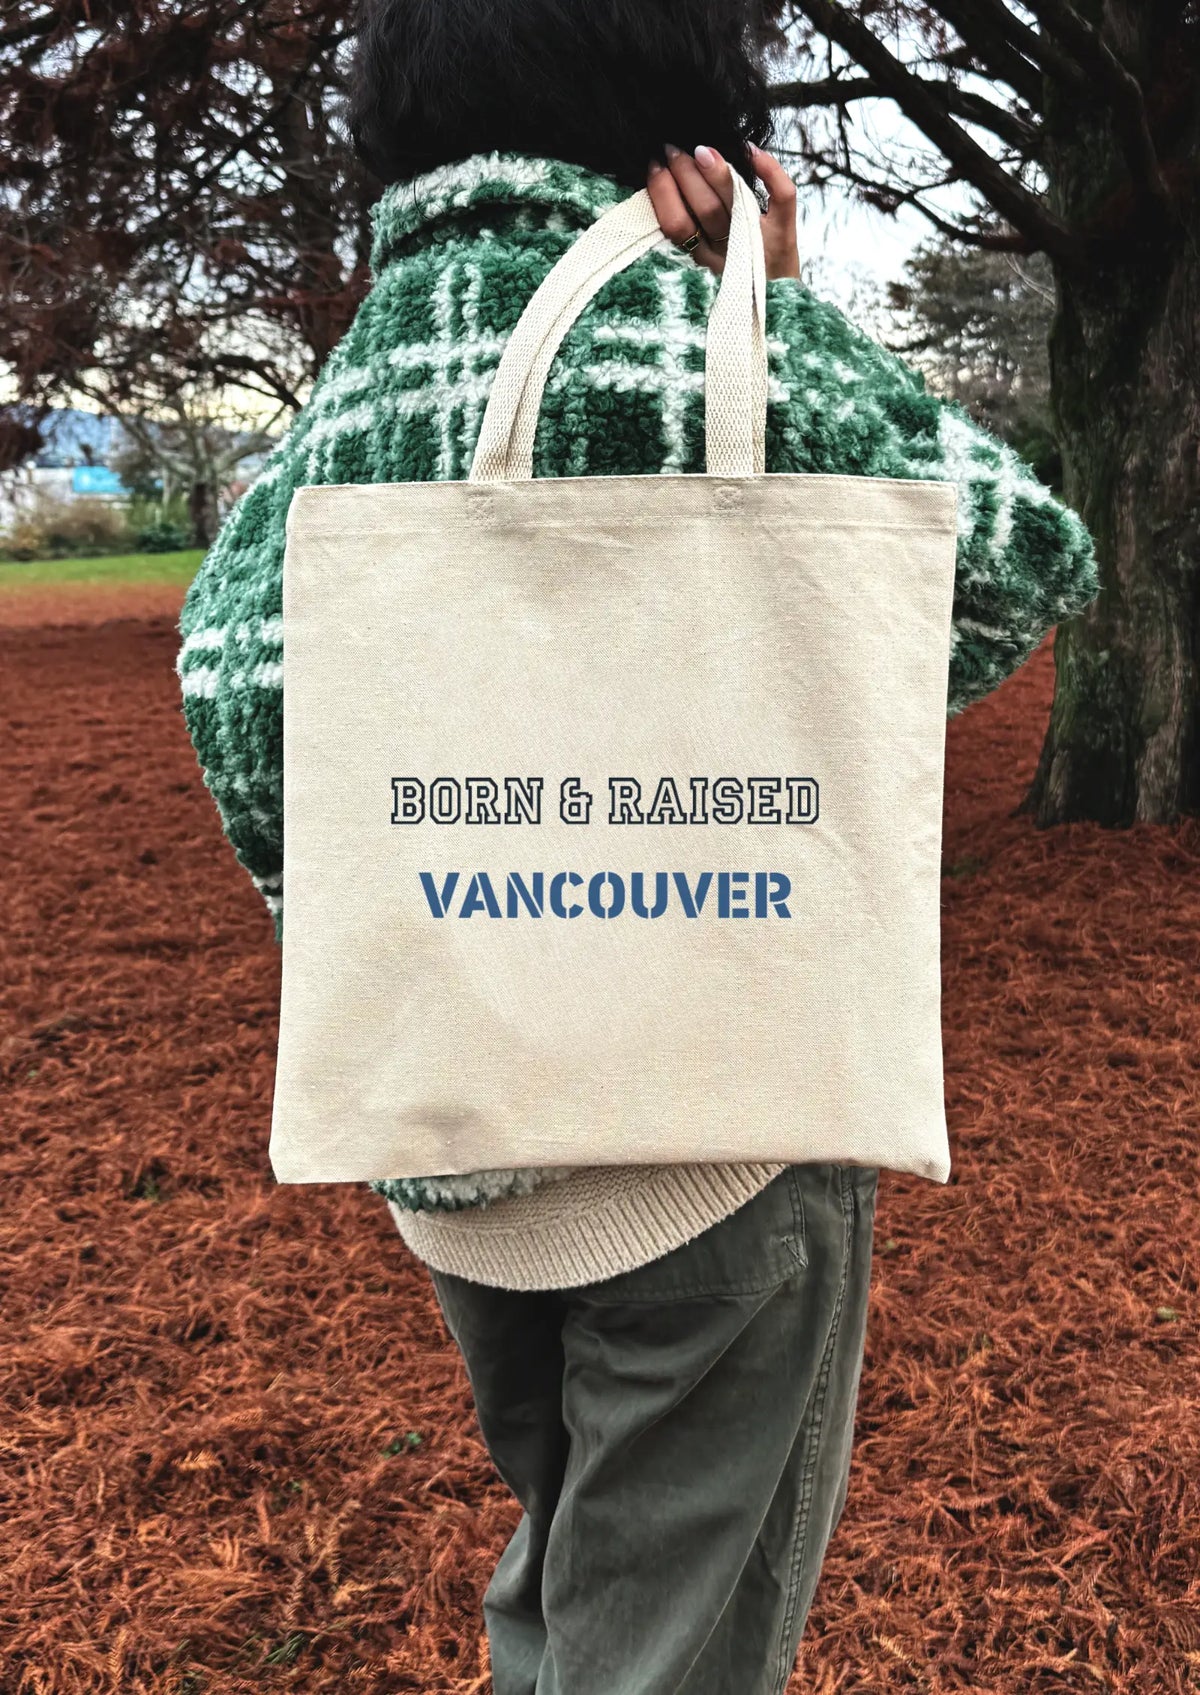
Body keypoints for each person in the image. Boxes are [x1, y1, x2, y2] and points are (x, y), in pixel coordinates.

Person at [175, 2, 1099, 1689]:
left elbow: (237, 708)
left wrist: (432, 924)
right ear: (682, 105)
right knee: (666, 1645)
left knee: (572, 1572)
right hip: (712, 1136)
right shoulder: (700, 330)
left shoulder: (341, 397)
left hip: (457, 1141)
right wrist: (793, 316)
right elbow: (1011, 568)